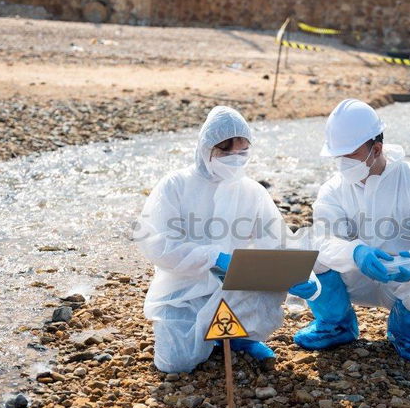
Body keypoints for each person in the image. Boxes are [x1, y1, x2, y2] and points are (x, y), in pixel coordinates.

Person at [134, 106, 318, 373]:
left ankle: (238, 337)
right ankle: (212, 334)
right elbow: (156, 242)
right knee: (176, 364)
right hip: (182, 291)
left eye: (242, 151)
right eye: (225, 150)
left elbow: (279, 243)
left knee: (271, 281)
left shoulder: (252, 192)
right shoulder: (175, 185)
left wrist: (308, 277)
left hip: (234, 286)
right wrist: (213, 258)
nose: (234, 158)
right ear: (206, 147)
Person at [294, 99, 410, 365]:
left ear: (376, 148)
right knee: (310, 250)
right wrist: (355, 252)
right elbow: (326, 239)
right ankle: (336, 326)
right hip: (356, 274)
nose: (342, 163)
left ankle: (407, 334)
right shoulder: (333, 189)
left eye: (349, 155)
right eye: (338, 156)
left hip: (402, 279)